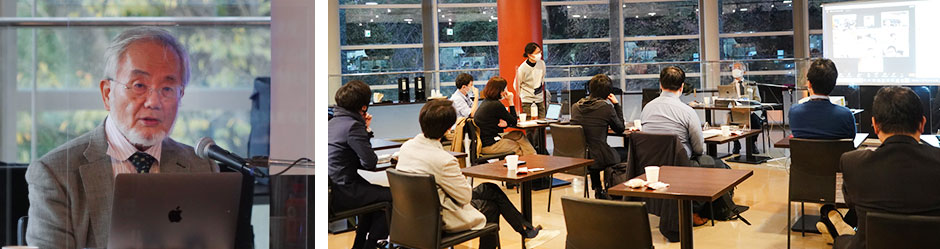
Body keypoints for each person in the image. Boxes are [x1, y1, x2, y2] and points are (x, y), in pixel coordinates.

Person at [25, 27, 219, 248]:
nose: (153, 102)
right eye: (139, 86)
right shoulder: (57, 173)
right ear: (107, 93)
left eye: (167, 88)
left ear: (180, 96)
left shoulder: (202, 167)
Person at [396, 100, 554, 249]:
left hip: (413, 215)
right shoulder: (444, 160)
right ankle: (528, 232)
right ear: (447, 129)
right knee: (490, 206)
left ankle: (528, 231)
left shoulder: (407, 147)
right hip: (441, 217)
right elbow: (464, 197)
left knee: (490, 189)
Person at [817, 86, 940, 249]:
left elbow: (851, 203)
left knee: (841, 241)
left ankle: (840, 228)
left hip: (870, 244)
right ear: (922, 124)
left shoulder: (853, 163)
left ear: (874, 125)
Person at [640, 66, 722, 226]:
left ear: (660, 84)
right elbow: (699, 149)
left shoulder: (647, 108)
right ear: (682, 86)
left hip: (652, 167)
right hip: (680, 167)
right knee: (717, 166)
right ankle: (693, 210)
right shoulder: (687, 111)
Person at [329, 80, 390, 249]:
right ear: (363, 107)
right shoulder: (353, 126)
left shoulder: (332, 123)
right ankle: (371, 245)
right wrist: (364, 130)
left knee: (374, 203)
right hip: (343, 190)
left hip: (332, 189)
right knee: (393, 197)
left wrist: (366, 130)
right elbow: (370, 163)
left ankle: (361, 246)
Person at [570, 74, 626, 199]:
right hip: (599, 157)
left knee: (593, 148)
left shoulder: (575, 107)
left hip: (580, 157)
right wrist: (616, 105)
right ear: (608, 93)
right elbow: (620, 128)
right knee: (627, 152)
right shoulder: (605, 108)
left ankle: (598, 188)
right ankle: (616, 190)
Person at [789, 58, 857, 139]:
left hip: (804, 152)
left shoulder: (794, 112)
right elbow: (851, 138)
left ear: (809, 84)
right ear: (834, 84)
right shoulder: (845, 115)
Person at [474, 76, 537, 156]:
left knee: (518, 134)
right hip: (489, 145)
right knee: (516, 146)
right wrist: (511, 101)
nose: (506, 92)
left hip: (487, 139)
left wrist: (506, 124)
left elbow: (496, 125)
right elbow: (514, 121)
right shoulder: (496, 105)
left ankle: (533, 156)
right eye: (504, 89)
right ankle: (529, 161)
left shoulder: (486, 102)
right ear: (499, 91)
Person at [728, 62, 763, 154]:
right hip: (736, 112)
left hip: (750, 112)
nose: (735, 70)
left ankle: (752, 143)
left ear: (744, 72)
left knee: (756, 122)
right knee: (730, 120)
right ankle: (736, 144)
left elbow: (758, 99)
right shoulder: (728, 87)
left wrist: (750, 106)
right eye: (734, 68)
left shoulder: (752, 84)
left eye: (738, 68)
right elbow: (726, 101)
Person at [514, 42, 548, 118]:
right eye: (537, 53)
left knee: (542, 122)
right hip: (527, 100)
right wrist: (523, 96)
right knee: (530, 123)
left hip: (539, 98)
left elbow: (542, 77)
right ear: (529, 55)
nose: (539, 54)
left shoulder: (541, 63)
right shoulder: (522, 68)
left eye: (540, 52)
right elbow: (516, 84)